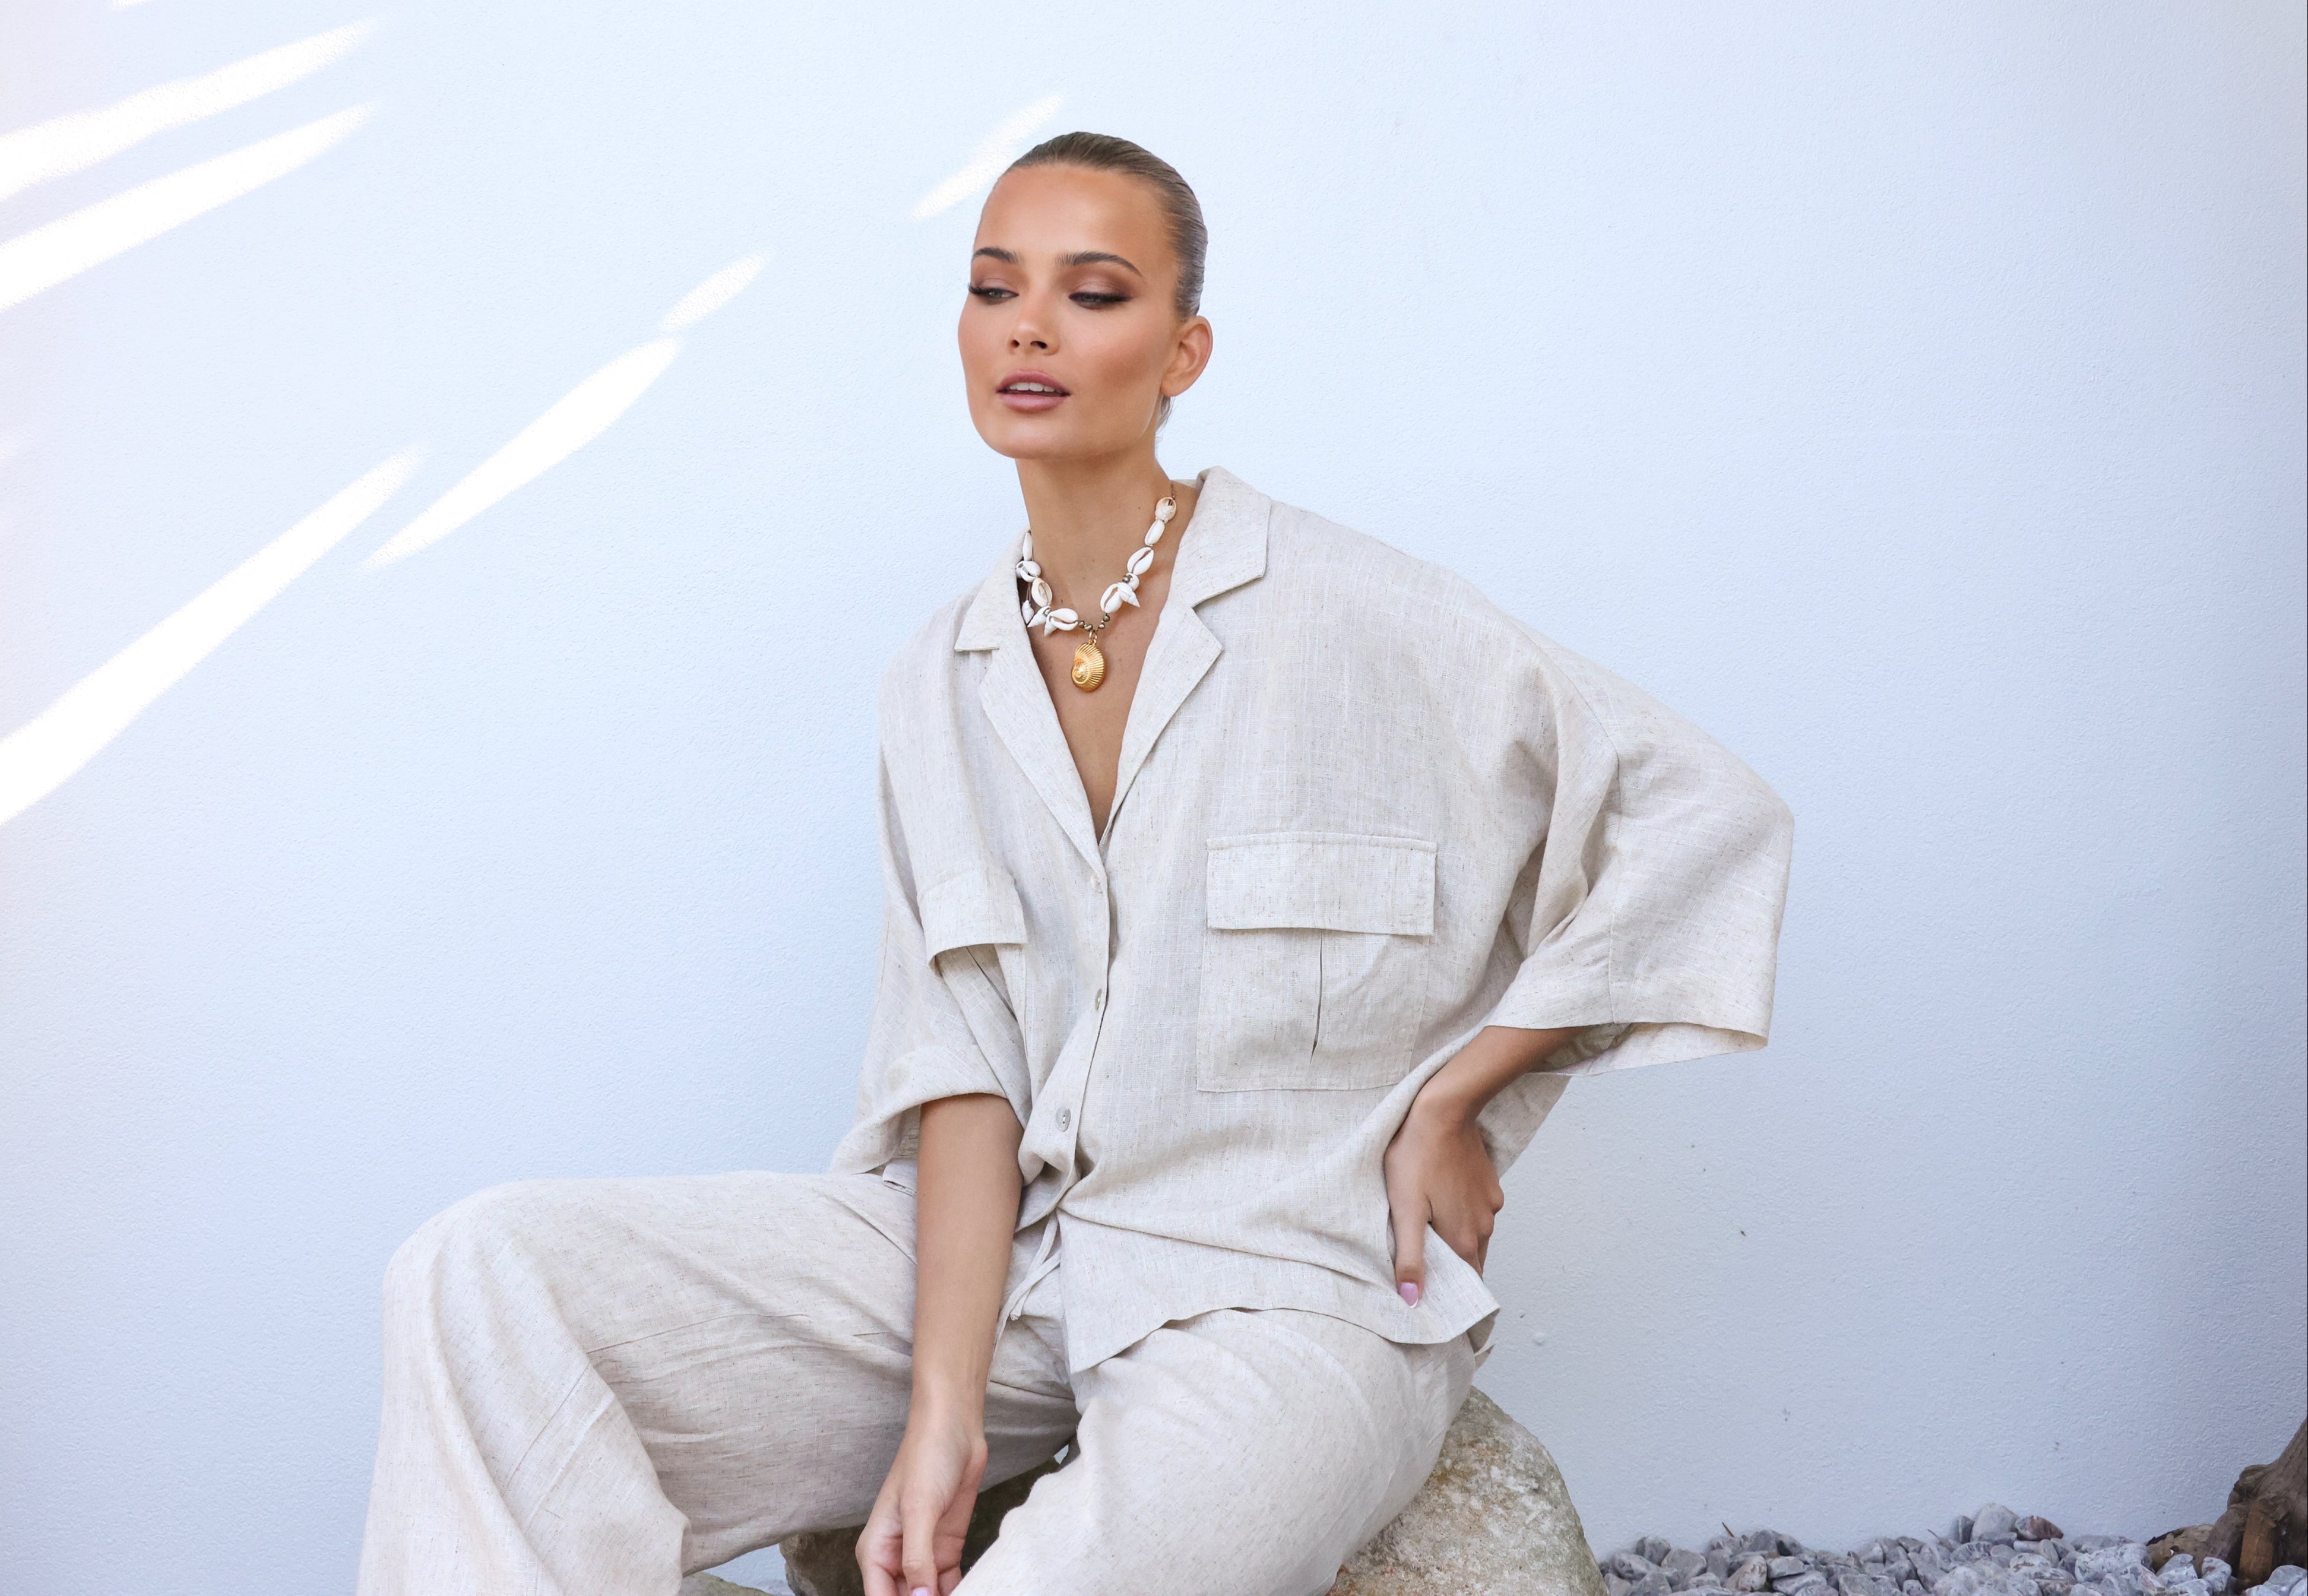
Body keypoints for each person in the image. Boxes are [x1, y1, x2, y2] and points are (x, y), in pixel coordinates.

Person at [354, 131, 1794, 1596]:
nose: (1028, 327)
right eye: (994, 288)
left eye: (1092, 293)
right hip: (1015, 1269)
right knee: (488, 1274)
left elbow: (1702, 815)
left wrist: (1463, 1090)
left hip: (1287, 1286)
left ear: (1184, 350)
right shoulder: (941, 678)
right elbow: (965, 1069)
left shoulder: (1362, 613)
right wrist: (941, 1416)